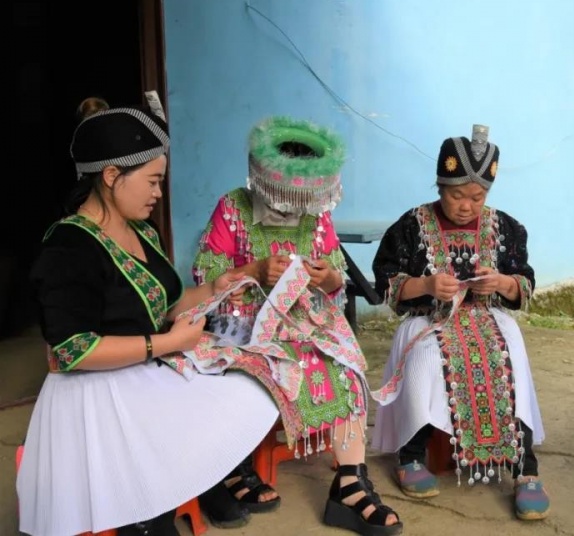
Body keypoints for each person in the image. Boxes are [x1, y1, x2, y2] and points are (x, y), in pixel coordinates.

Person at [17, 100, 278, 536]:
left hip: (141, 372)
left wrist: (218, 287)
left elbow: (165, 304)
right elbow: (71, 352)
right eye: (153, 181)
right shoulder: (68, 248)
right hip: (93, 395)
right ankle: (151, 511)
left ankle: (195, 488)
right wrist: (168, 344)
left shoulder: (142, 231)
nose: (159, 193)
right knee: (148, 490)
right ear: (111, 177)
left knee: (254, 380)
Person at [191, 116, 401, 535]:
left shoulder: (316, 215)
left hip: (304, 321)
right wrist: (253, 270)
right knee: (257, 368)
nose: (294, 211)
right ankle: (235, 464)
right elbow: (205, 275)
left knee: (345, 365)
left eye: (301, 203)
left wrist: (327, 278)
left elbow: (337, 275)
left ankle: (350, 482)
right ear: (264, 183)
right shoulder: (232, 207)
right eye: (283, 199)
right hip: (242, 325)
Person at [371, 125, 550, 521]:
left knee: (509, 356)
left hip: (487, 316)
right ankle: (411, 455)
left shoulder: (505, 227)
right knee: (426, 361)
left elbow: (524, 282)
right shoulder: (411, 226)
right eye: (457, 195)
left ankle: (525, 468)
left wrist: (501, 282)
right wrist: (427, 284)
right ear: (440, 185)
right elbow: (386, 281)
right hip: (427, 318)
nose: (467, 206)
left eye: (477, 196)